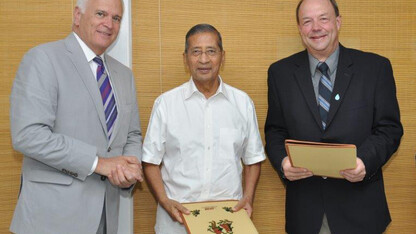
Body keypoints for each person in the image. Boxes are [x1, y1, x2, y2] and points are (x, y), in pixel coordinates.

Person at [265, 0, 403, 233]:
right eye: (307, 21)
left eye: (323, 18)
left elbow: (389, 129)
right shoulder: (280, 73)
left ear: (338, 22)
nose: (315, 27)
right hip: (305, 212)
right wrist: (283, 162)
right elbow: (275, 130)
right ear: (299, 28)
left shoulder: (375, 68)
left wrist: (364, 162)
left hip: (361, 210)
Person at [9, 0, 143, 233]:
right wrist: (99, 164)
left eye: (116, 18)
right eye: (101, 14)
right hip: (52, 218)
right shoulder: (43, 58)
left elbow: (132, 134)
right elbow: (28, 135)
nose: (109, 24)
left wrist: (129, 170)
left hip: (106, 217)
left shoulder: (124, 75)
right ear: (77, 16)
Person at [142, 23, 266, 234]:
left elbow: (253, 159)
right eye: (196, 52)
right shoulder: (166, 104)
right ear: (185, 58)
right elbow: (150, 160)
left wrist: (248, 197)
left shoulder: (242, 102)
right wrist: (163, 200)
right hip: (177, 220)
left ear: (222, 56)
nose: (204, 60)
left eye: (211, 51)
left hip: (228, 220)